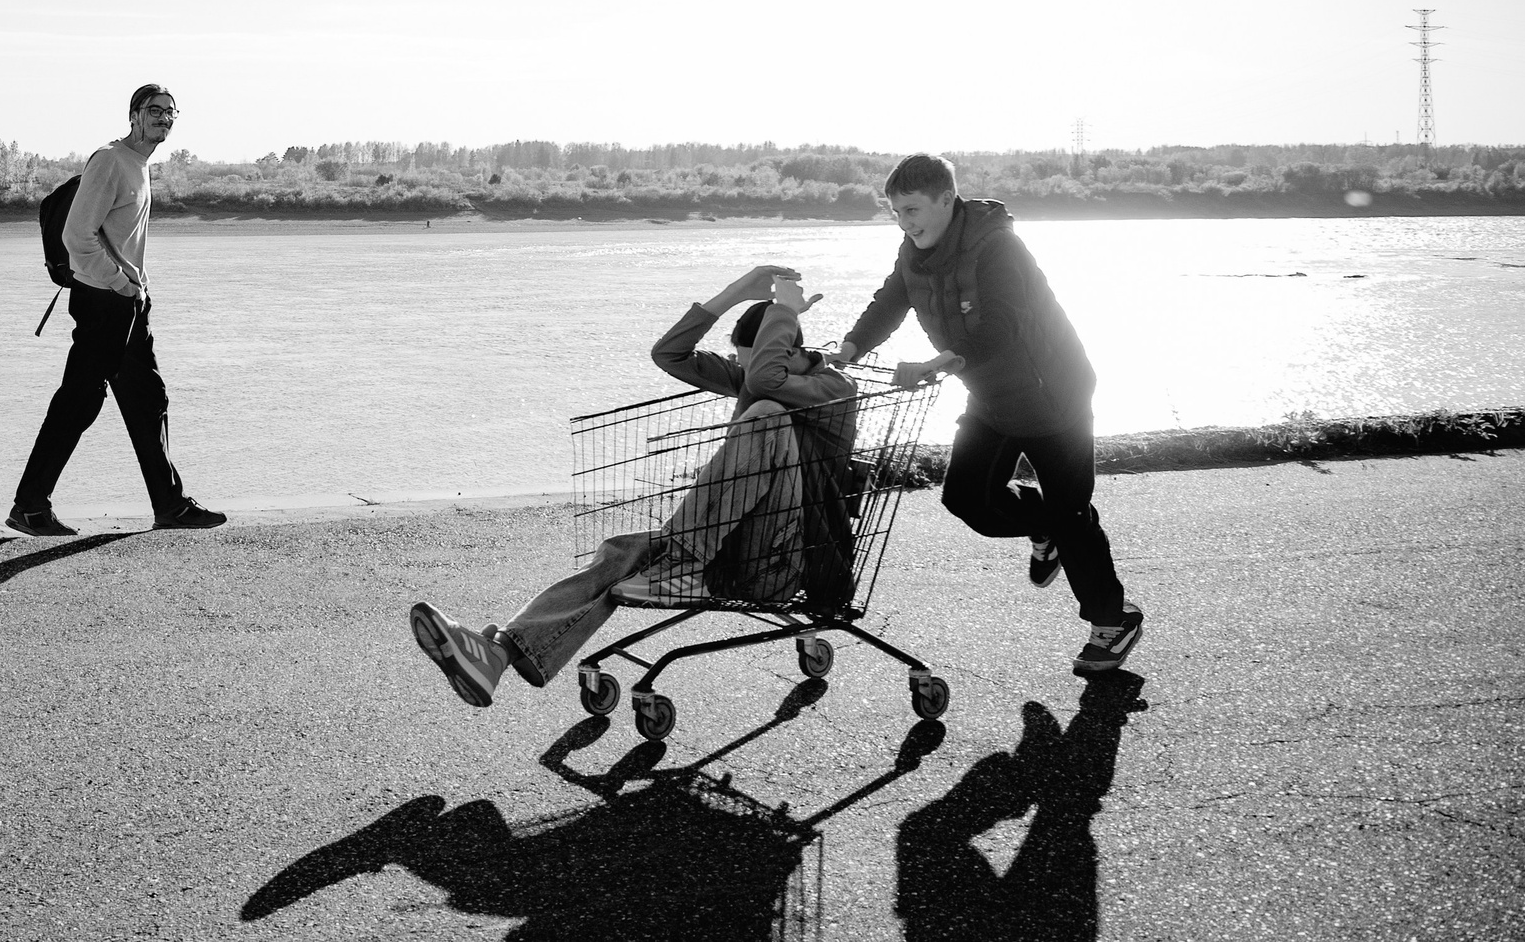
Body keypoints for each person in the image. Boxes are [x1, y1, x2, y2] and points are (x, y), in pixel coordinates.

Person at [408, 266, 858, 708]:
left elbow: (763, 381)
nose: (744, 372)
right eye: (743, 361)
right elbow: (670, 355)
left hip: (786, 560)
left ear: (789, 352)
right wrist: (734, 293)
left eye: (755, 359)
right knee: (621, 552)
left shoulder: (834, 386)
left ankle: (683, 560)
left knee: (764, 411)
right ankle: (499, 653)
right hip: (722, 549)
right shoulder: (759, 375)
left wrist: (785, 310)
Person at [831, 153, 1142, 676]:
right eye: (896, 213)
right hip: (991, 394)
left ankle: (1114, 620)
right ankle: (1045, 531)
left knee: (1071, 514)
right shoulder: (913, 250)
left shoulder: (998, 248)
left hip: (1052, 393)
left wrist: (939, 362)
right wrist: (849, 348)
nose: (906, 223)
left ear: (947, 199)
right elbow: (890, 301)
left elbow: (1002, 327)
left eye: (912, 209)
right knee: (966, 498)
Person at [8, 84, 225, 537]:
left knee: (148, 399)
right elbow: (76, 236)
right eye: (154, 111)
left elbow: (120, 239)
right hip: (103, 302)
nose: (163, 118)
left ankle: (170, 505)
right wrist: (121, 283)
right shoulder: (110, 160)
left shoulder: (141, 165)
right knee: (79, 402)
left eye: (170, 112)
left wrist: (136, 287)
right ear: (133, 115)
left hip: (128, 303)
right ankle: (29, 506)